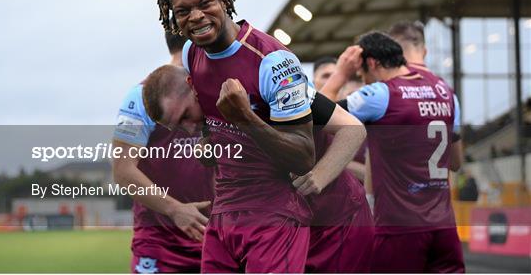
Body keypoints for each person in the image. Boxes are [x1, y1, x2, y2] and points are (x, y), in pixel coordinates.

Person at [156, 0, 366, 273]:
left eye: (204, 3)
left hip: (331, 220)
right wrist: (211, 144)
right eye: (183, 11)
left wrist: (319, 177)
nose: (195, 16)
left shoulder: (274, 63)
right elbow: (217, 121)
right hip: (252, 213)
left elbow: (325, 144)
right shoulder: (192, 54)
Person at [142, 64, 370, 273]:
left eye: (185, 116)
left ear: (194, 87)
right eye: (178, 127)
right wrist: (209, 150)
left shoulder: (268, 84)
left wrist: (319, 176)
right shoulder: (207, 114)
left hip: (335, 221)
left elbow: (353, 129)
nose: (189, 129)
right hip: (282, 227)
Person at [321, 32, 465, 273]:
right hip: (445, 228)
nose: (363, 81)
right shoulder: (445, 90)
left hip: (400, 229)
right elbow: (456, 162)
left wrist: (340, 74)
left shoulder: (380, 94)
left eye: (362, 74)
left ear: (372, 63)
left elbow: (317, 117)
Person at [112, 32, 214, 273]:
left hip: (214, 238)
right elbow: (122, 170)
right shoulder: (140, 96)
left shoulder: (214, 88)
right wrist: (175, 209)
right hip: (160, 244)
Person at [388, 20, 463, 172]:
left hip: (397, 191)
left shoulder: (387, 91)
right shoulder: (448, 94)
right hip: (437, 192)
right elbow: (456, 163)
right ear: (425, 51)